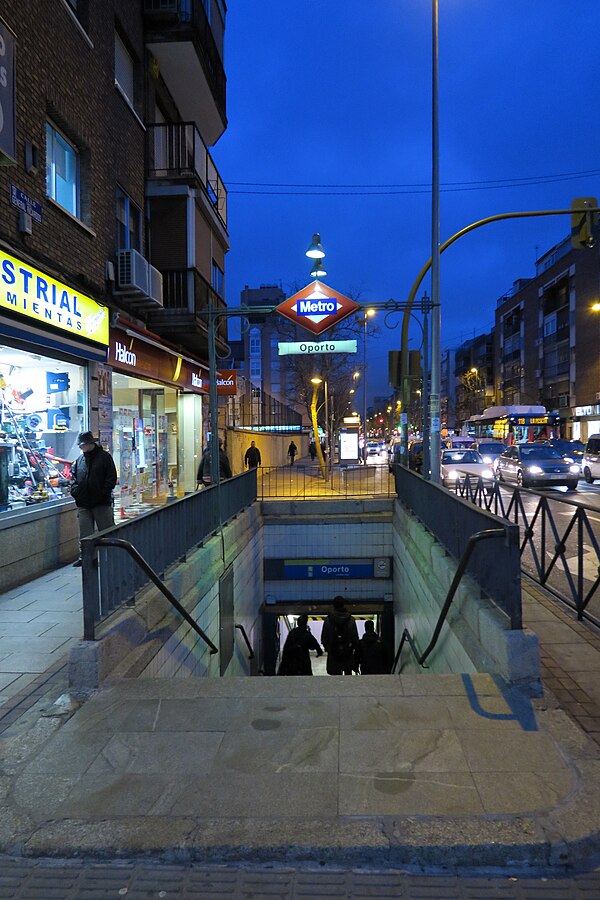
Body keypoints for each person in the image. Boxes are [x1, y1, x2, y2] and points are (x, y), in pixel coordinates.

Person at [70, 431, 117, 566]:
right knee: (85, 533)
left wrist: (103, 493)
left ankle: (111, 555)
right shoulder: (80, 460)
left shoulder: (104, 458)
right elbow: (74, 479)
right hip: (84, 503)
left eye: (82, 445)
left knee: (106, 530)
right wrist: (76, 492)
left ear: (90, 444)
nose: (80, 447)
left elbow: (111, 478)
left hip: (101, 502)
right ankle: (86, 557)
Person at [321, 596, 359, 675]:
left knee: (336, 681)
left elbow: (324, 638)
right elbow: (355, 638)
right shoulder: (351, 620)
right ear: (343, 605)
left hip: (333, 656)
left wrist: (329, 649)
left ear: (334, 605)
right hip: (347, 655)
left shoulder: (328, 620)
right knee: (348, 679)